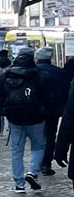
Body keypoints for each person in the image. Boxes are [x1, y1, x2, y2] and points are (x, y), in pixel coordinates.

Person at [0, 50, 49, 192]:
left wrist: (5, 111)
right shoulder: (40, 76)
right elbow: (49, 97)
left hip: (15, 119)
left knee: (16, 150)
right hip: (36, 118)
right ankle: (33, 172)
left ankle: (19, 183)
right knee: (39, 146)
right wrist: (44, 111)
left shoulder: (6, 76)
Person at [34, 48, 67, 176]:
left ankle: (36, 163)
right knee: (50, 136)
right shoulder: (59, 72)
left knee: (37, 136)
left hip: (36, 110)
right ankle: (46, 163)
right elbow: (65, 92)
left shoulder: (34, 71)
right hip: (53, 110)